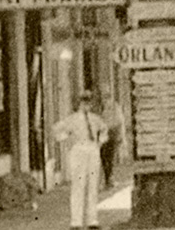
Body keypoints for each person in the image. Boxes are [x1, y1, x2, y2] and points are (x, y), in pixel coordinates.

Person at [52, 93, 106, 230]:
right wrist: (66, 140)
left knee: (93, 184)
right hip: (78, 149)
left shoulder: (95, 119)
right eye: (84, 102)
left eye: (88, 103)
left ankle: (92, 220)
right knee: (78, 184)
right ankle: (76, 221)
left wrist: (100, 142)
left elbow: (104, 130)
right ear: (79, 104)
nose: (86, 105)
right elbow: (56, 129)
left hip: (92, 148)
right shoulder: (72, 119)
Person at [98, 97, 123, 189]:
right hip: (104, 136)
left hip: (111, 135)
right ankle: (108, 179)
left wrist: (120, 136)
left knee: (109, 158)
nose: (105, 101)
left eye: (106, 98)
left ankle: (109, 180)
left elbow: (119, 122)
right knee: (104, 158)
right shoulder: (102, 109)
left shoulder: (115, 108)